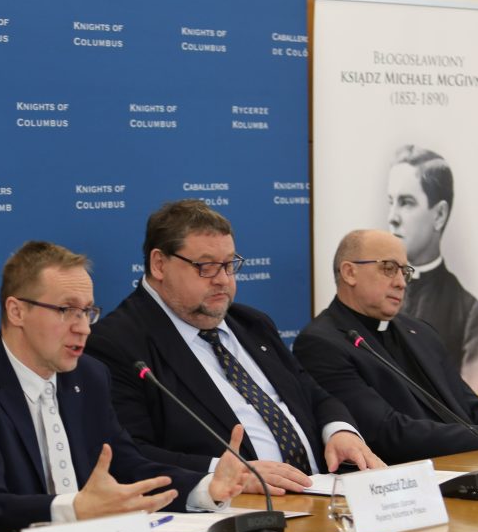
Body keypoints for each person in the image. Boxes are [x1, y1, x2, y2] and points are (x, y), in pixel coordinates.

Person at [0, 240, 249, 532]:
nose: (83, 328)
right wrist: (74, 510)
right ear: (16, 311)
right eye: (66, 310)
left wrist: (205, 487)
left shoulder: (89, 376)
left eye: (87, 312)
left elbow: (127, 466)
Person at [87, 199, 382, 497]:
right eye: (206, 267)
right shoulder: (117, 343)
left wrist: (339, 431)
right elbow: (130, 455)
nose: (222, 280)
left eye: (229, 265)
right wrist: (227, 474)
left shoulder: (253, 324)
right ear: (159, 264)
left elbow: (313, 395)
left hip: (322, 492)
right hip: (236, 507)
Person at [295, 229, 478, 465]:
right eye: (389, 268)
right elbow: (384, 433)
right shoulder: (321, 343)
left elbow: (467, 403)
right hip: (406, 475)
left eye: (404, 272)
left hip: (466, 462)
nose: (401, 283)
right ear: (350, 272)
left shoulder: (418, 330)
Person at [388, 145, 478, 376]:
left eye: (406, 202)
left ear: (439, 215)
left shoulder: (469, 314)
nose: (392, 217)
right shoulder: (371, 295)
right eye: (390, 201)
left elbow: (474, 393)